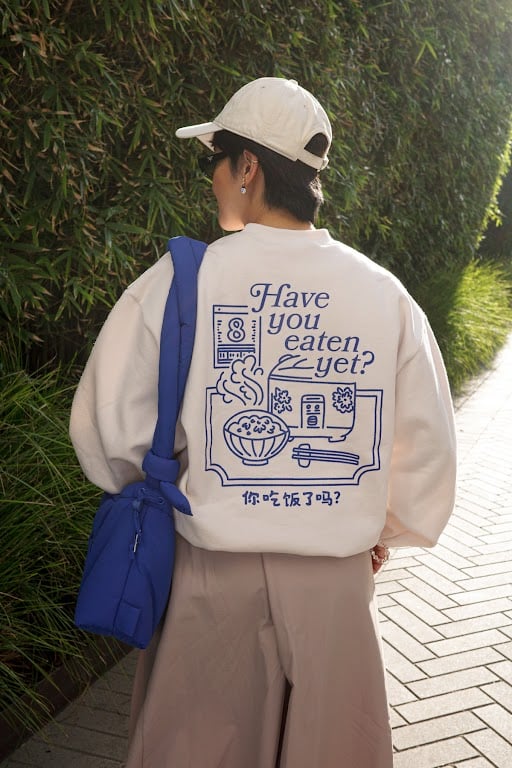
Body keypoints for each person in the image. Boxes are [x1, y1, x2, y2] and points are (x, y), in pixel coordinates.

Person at [70, 77, 457, 768]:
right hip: (336, 593)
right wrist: (374, 524)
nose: (213, 177)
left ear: (248, 167)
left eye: (217, 158)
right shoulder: (383, 294)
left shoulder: (180, 280)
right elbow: (426, 459)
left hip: (209, 584)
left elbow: (110, 433)